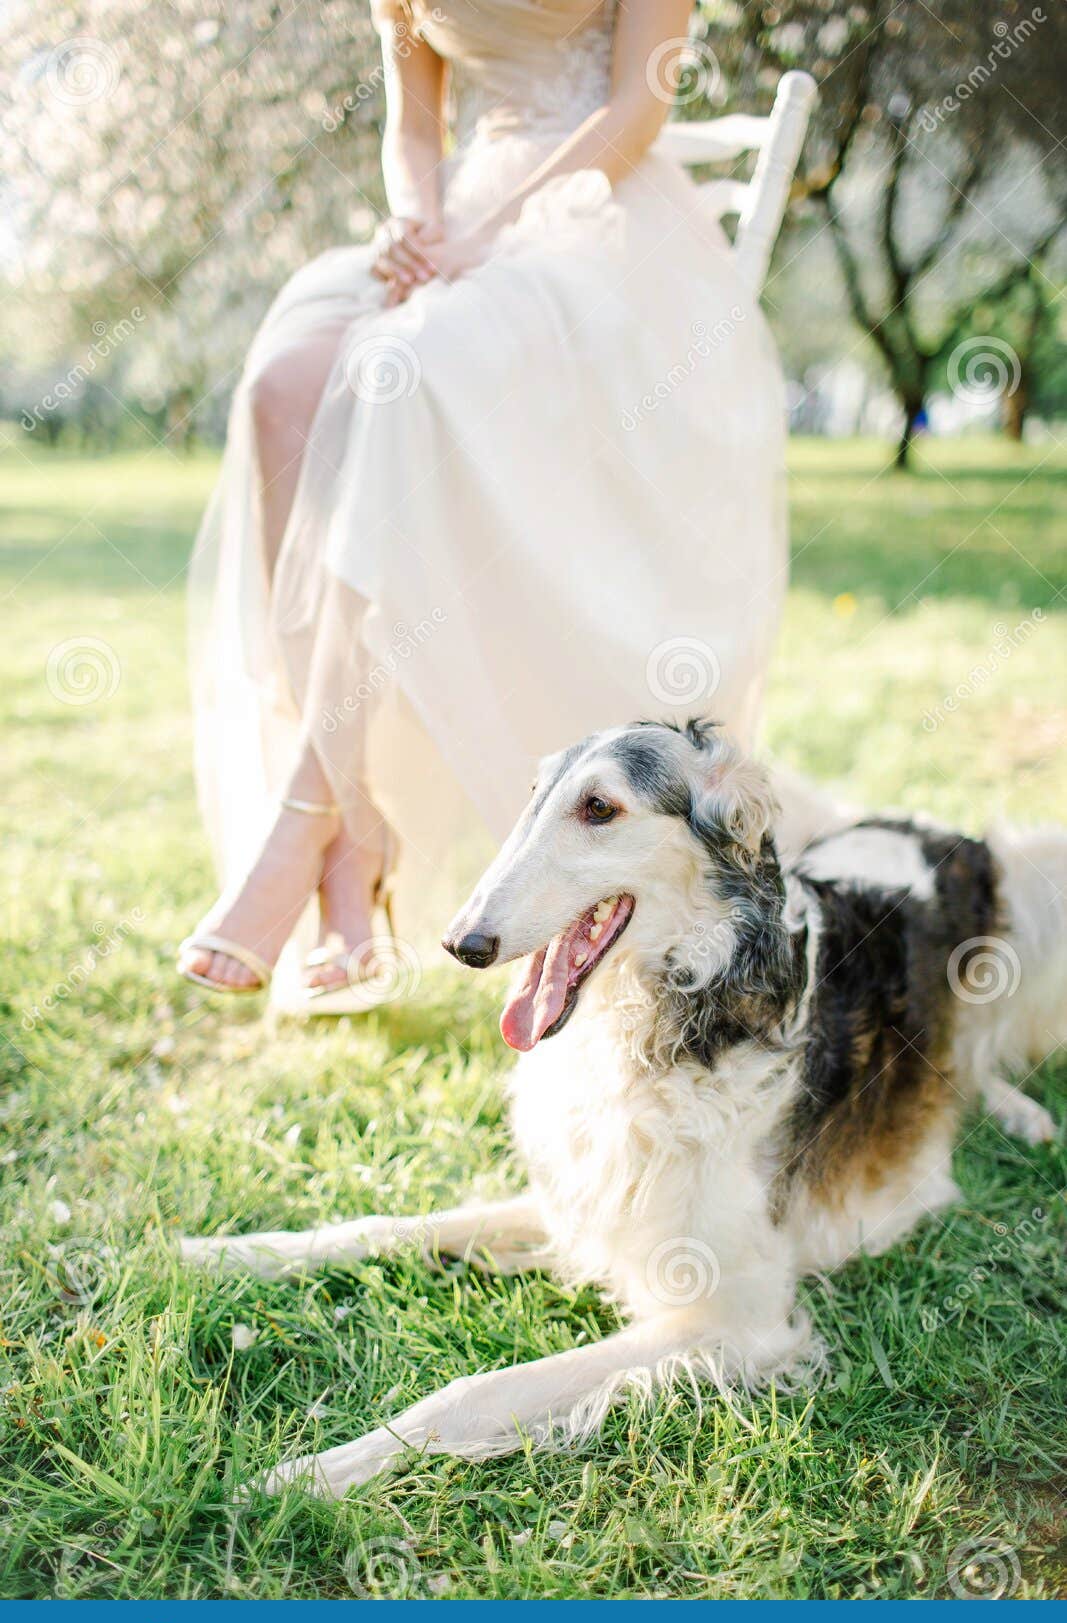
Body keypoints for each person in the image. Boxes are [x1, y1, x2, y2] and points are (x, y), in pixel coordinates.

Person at [179, 0, 787, 1010]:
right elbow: (415, 122)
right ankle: (351, 819)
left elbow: (636, 106)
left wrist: (494, 232)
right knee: (282, 389)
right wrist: (418, 223)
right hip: (460, 211)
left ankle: (314, 827)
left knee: (402, 376)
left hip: (599, 224)